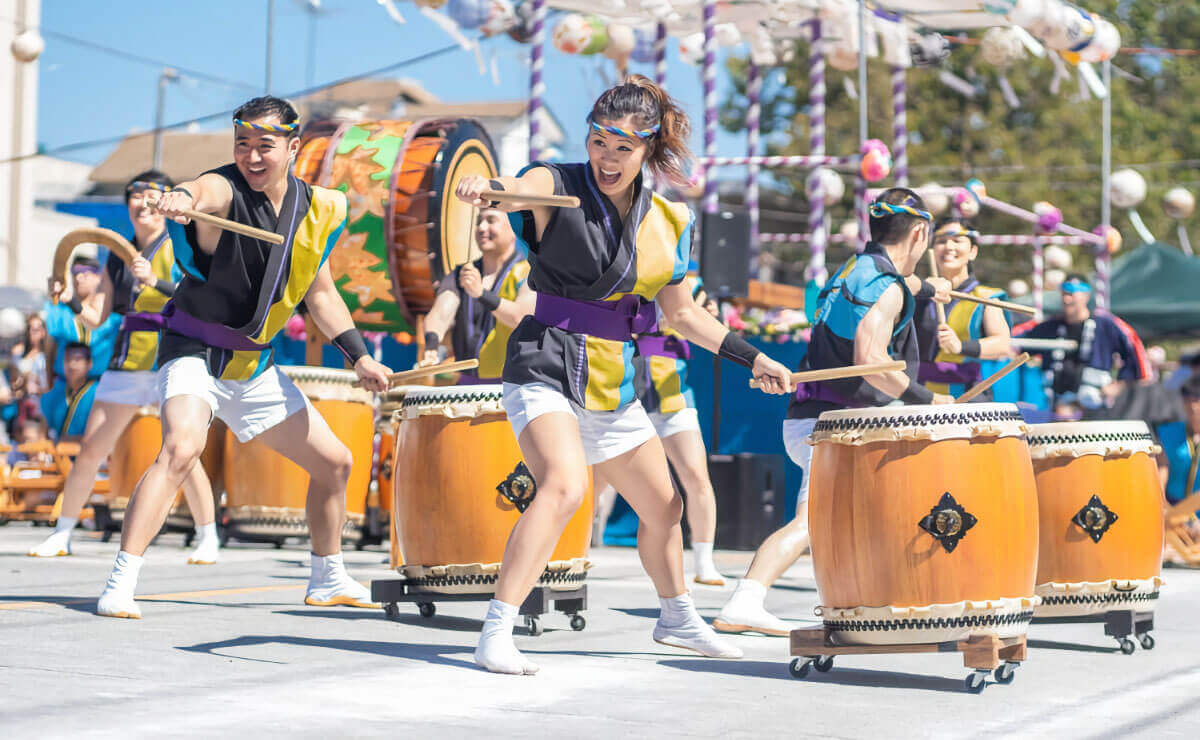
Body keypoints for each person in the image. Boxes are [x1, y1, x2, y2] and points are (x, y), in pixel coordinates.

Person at [454, 75, 793, 674]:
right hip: (545, 359)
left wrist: (754, 358)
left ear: (648, 150)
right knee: (563, 485)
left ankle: (676, 617)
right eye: (599, 141)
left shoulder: (668, 219)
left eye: (623, 147)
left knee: (664, 507)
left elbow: (683, 316)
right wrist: (490, 189)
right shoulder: (554, 183)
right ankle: (496, 629)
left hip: (612, 374)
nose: (607, 157)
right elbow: (515, 189)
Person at [93, 96, 391, 620]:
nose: (252, 156)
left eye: (265, 146)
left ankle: (327, 577)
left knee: (336, 463)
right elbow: (201, 189)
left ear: (293, 147)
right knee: (181, 447)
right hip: (196, 352)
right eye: (243, 144)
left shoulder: (315, 210)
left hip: (253, 368)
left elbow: (319, 294)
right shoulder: (224, 188)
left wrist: (360, 357)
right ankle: (122, 580)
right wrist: (178, 198)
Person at [714, 188, 952, 636]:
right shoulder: (886, 288)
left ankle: (874, 605)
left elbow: (887, 291)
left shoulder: (853, 269)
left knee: (869, 516)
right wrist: (927, 399)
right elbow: (872, 359)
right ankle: (745, 600)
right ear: (920, 233)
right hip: (834, 426)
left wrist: (923, 287)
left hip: (819, 418)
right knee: (810, 522)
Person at [28, 172, 219, 562]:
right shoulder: (117, 253)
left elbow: (204, 299)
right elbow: (96, 315)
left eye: (152, 195)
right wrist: (68, 300)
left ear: (166, 203)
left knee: (184, 452)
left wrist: (157, 283)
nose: (143, 202)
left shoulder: (183, 244)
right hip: (128, 360)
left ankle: (207, 536)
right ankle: (63, 533)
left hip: (176, 354)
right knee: (91, 449)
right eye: (134, 195)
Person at [631, 273, 725, 585]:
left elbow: (700, 322)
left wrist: (709, 315)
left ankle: (704, 561)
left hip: (673, 392)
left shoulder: (691, 282)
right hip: (625, 392)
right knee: (599, 481)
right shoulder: (625, 270)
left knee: (696, 475)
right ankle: (581, 548)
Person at [419, 207, 535, 380]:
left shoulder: (528, 273)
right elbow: (441, 313)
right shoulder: (463, 274)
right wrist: (432, 344)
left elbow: (520, 317)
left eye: (491, 220)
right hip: (467, 384)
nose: (481, 227)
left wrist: (481, 294)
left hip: (511, 384)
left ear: (512, 229)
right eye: (478, 221)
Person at [1013, 274, 1150, 412]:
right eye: (1064, 294)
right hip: (1056, 408)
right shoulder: (1050, 326)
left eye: (1072, 294)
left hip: (1095, 407)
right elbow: (1016, 342)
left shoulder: (1106, 324)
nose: (1067, 299)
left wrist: (1121, 384)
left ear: (1086, 296)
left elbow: (1134, 350)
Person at [914, 218, 1012, 397]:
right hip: (922, 395)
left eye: (957, 240)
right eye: (941, 241)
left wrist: (960, 346)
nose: (948, 247)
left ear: (973, 251)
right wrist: (919, 290)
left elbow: (1002, 344)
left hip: (968, 395)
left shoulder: (985, 298)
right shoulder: (920, 295)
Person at [45, 256, 122, 382]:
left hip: (101, 387)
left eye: (85, 273)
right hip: (64, 388)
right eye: (74, 273)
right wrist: (49, 384)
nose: (78, 278)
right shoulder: (58, 311)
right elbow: (49, 351)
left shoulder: (112, 317)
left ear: (99, 278)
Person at [39, 342, 98, 442]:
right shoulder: (55, 392)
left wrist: (65, 441)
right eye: (68, 359)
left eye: (77, 359)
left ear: (89, 364)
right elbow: (42, 430)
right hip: (57, 455)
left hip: (90, 454)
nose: (72, 365)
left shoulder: (99, 393)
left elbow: (99, 437)